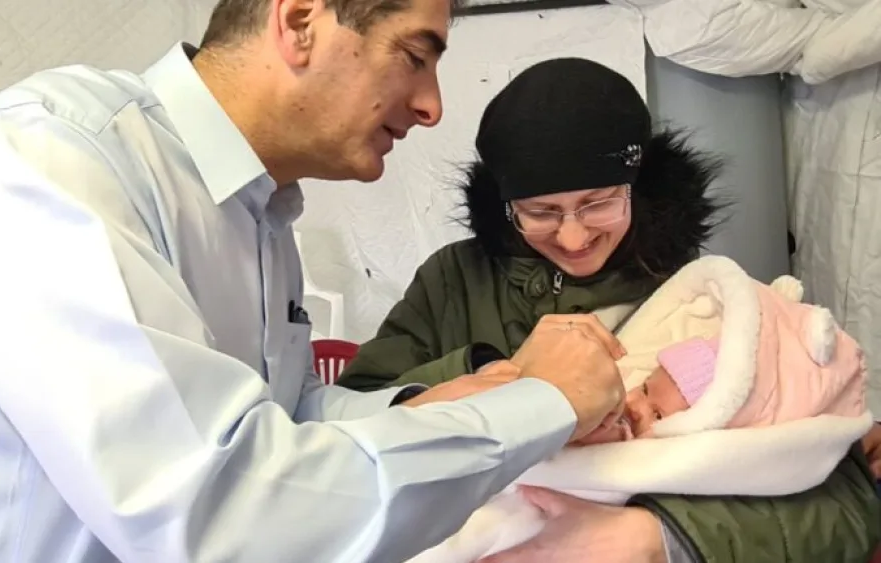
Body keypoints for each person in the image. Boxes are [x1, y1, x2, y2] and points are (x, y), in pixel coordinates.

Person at [0, 2, 632, 562]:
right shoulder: (56, 158)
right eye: (414, 55)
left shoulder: (262, 220)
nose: (432, 106)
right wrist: (544, 402)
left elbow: (288, 414)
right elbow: (215, 512)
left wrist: (442, 400)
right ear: (301, 22)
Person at [337, 57, 881, 562]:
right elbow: (349, 424)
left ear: (636, 190)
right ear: (505, 208)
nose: (573, 237)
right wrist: (487, 375)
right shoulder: (453, 281)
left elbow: (844, 501)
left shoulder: (697, 299)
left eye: (598, 204)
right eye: (540, 212)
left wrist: (654, 536)